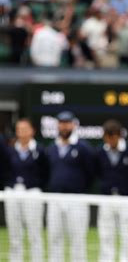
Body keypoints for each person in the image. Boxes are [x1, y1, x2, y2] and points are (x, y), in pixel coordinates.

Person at [46, 111, 95, 262]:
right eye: (61, 123)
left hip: (77, 199)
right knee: (54, 239)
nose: (64, 126)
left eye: (67, 123)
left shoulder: (84, 148)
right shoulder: (51, 148)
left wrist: (79, 189)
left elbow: (91, 173)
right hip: (55, 198)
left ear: (74, 125)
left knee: (78, 240)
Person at [96, 119, 128, 262]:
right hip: (107, 199)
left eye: (113, 137)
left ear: (119, 136)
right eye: (107, 137)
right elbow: (97, 172)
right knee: (106, 236)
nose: (110, 141)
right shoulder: (100, 153)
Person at [4, 118, 49, 262]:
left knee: (34, 233)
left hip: (33, 193)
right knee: (14, 233)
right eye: (19, 129)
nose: (21, 132)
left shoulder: (40, 150)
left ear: (32, 131)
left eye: (24, 129)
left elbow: (46, 172)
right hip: (12, 193)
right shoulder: (9, 150)